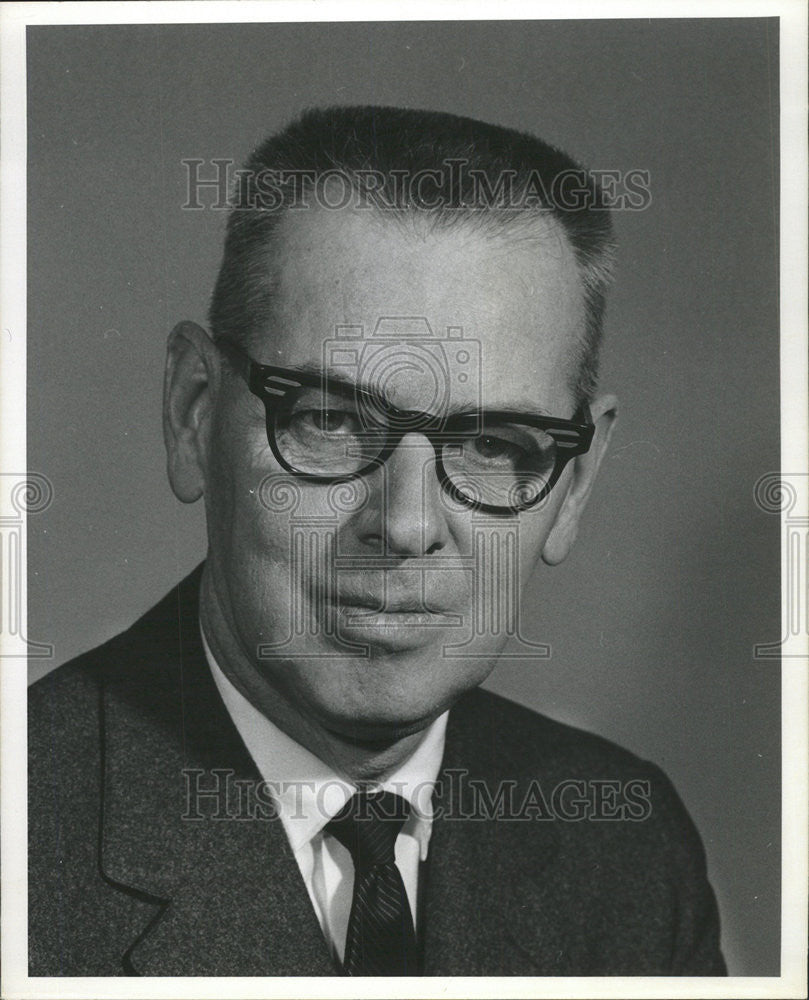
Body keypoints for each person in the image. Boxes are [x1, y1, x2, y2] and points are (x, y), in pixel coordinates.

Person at [28, 105, 726, 977]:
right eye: (327, 419)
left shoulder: (623, 854)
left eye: (491, 443)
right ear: (193, 411)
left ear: (576, 482)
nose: (404, 524)